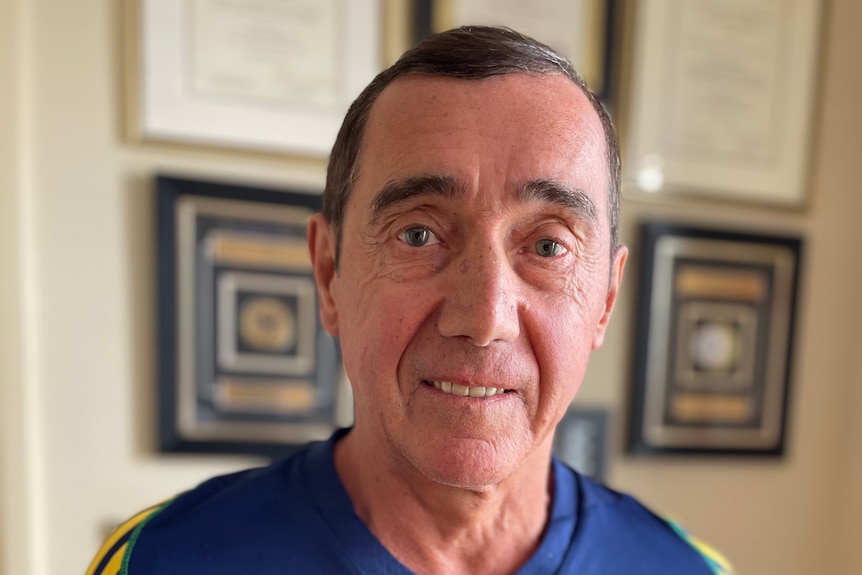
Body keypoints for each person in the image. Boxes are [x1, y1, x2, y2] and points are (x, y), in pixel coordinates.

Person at [88, 26, 733, 575]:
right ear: (329, 270)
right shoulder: (161, 559)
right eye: (418, 234)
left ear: (606, 299)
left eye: (547, 247)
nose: (484, 318)